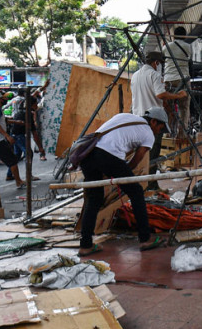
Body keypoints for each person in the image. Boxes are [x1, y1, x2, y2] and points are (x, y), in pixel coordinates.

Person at [76, 107, 170, 256]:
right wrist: (123, 173)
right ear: (153, 121)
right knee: (136, 192)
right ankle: (145, 239)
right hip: (108, 155)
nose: (159, 132)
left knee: (94, 198)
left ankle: (85, 245)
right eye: (160, 127)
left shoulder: (124, 116)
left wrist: (115, 171)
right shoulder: (148, 134)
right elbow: (136, 160)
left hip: (88, 154)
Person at [132, 51, 187, 174]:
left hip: (138, 118)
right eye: (160, 64)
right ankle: (151, 181)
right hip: (153, 120)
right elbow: (160, 95)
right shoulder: (154, 74)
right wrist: (178, 95)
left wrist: (168, 109)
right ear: (156, 63)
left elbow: (153, 96)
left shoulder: (135, 75)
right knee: (153, 152)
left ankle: (142, 179)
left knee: (141, 153)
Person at [0, 91, 27, 187]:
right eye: (4, 98)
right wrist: (7, 136)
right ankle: (18, 181)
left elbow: (2, 121)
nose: (6, 100)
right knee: (12, 160)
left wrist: (16, 122)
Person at [163, 26, 194, 137]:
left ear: (174, 36)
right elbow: (189, 59)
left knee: (168, 108)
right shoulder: (188, 47)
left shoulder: (166, 47)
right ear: (184, 36)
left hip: (169, 80)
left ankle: (167, 133)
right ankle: (182, 134)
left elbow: (163, 58)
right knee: (184, 108)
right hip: (183, 79)